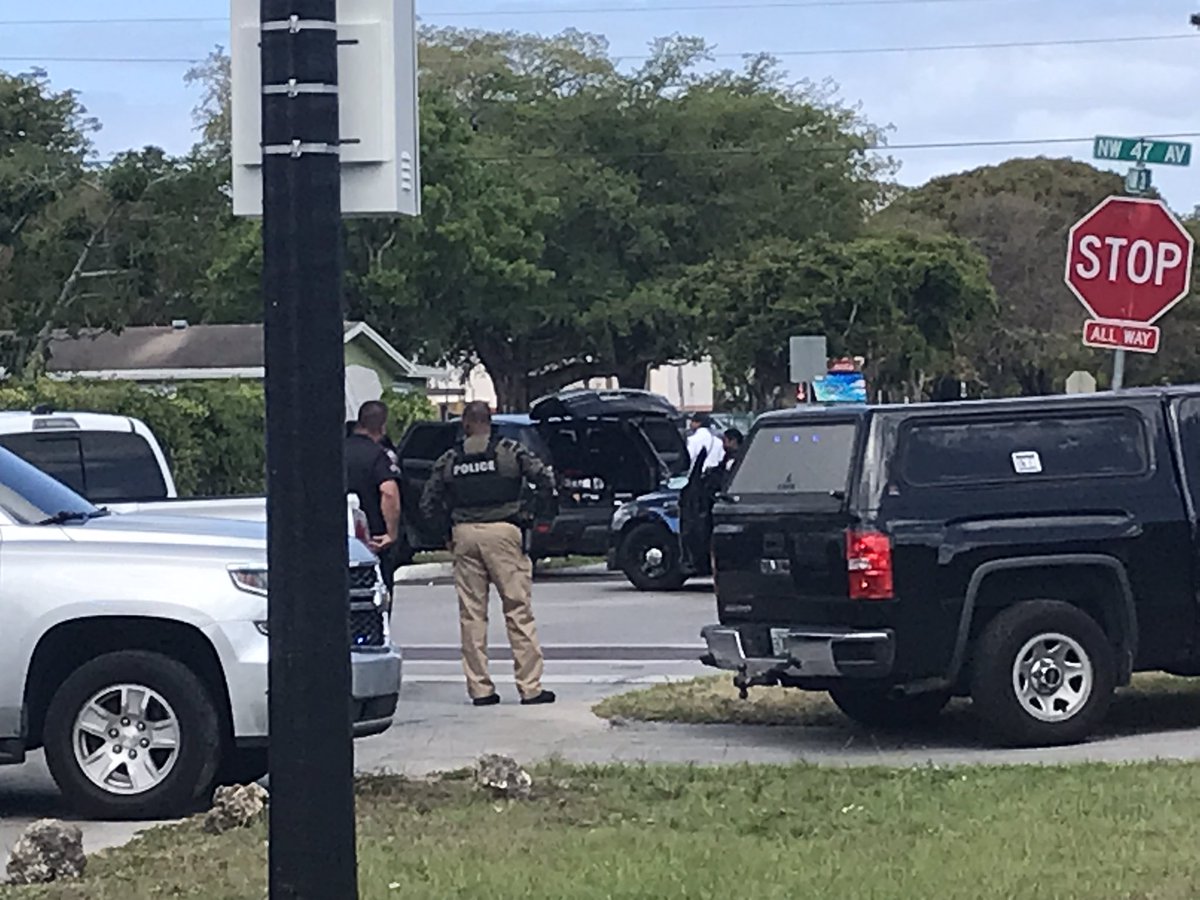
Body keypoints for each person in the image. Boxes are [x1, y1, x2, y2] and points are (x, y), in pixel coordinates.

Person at [421, 401, 558, 707]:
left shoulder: (451, 458)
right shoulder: (509, 450)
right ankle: (529, 687)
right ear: (490, 421)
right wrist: (534, 514)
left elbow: (429, 501)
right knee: (517, 609)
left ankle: (480, 689)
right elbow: (545, 479)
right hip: (504, 531)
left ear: (466, 424)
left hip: (464, 534)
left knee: (472, 614)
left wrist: (446, 532)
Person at [345, 401, 402, 590]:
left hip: (337, 535)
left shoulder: (337, 452)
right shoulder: (378, 455)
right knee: (377, 592)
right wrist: (391, 533)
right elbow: (389, 492)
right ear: (382, 427)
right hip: (372, 539)